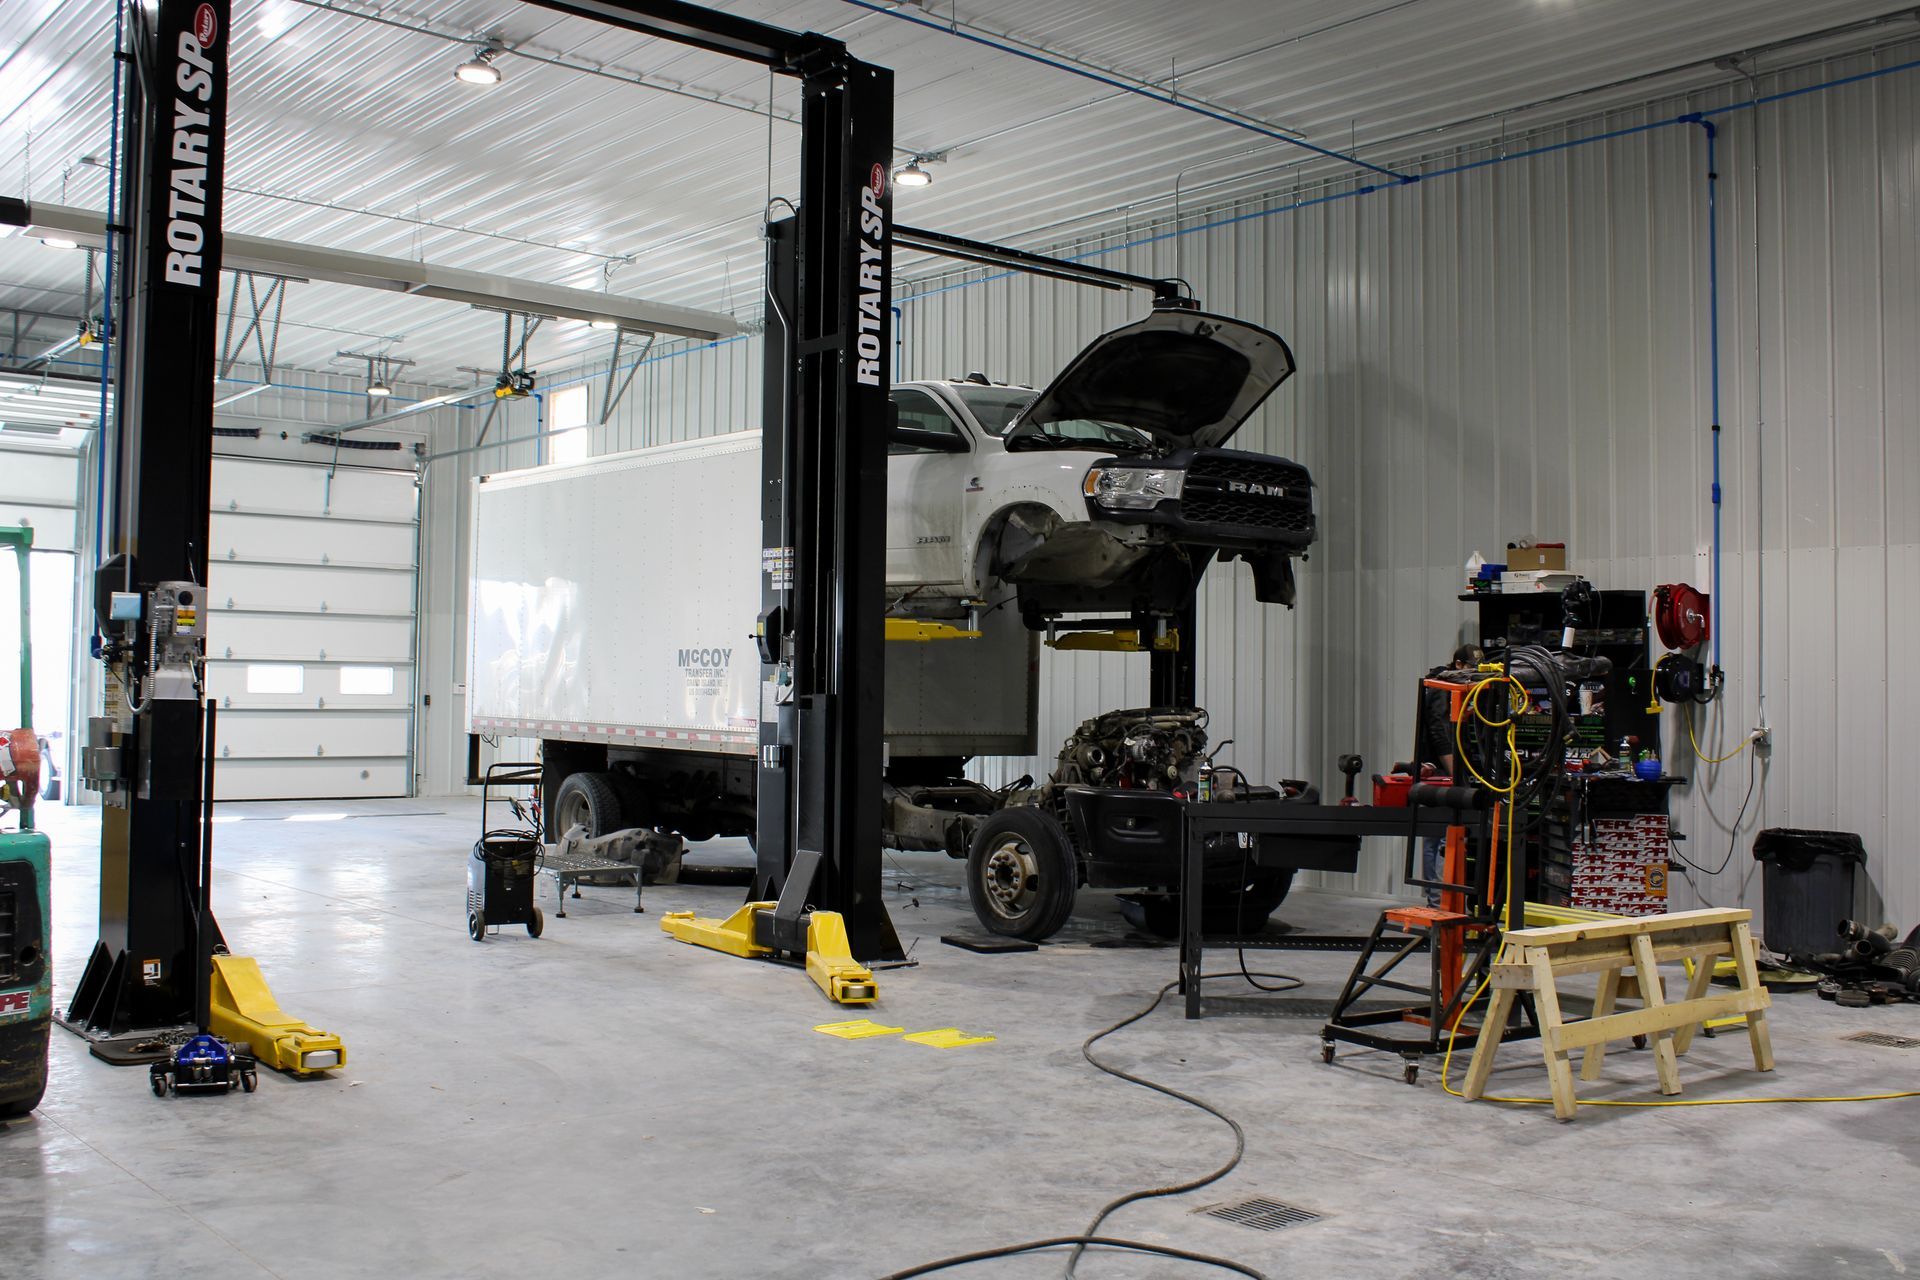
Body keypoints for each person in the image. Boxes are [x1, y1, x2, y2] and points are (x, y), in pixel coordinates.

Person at [1417, 643, 1483, 906]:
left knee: (1440, 836)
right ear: (1458, 665)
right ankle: (1440, 903)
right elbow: (1438, 730)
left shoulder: (1453, 686)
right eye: (1471, 669)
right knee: (1441, 836)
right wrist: (1455, 772)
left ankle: (1442, 900)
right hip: (1439, 771)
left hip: (1446, 767)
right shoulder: (1441, 686)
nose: (1474, 675)